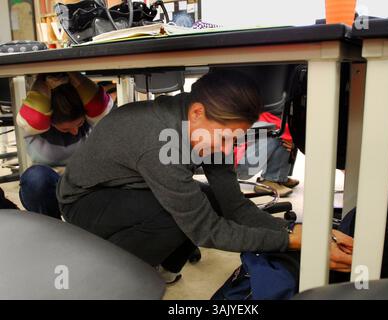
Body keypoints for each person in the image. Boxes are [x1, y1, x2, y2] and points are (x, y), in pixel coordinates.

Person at [57, 70, 353, 284]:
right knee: (179, 218)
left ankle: (166, 270)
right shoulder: (160, 140)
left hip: (131, 186)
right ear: (197, 112)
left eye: (234, 140)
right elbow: (205, 231)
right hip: (85, 200)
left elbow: (233, 205)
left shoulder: (205, 120)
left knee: (210, 199)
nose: (227, 150)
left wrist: (306, 232)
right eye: (224, 139)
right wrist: (291, 241)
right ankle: (110, 274)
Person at [17, 72, 114, 219]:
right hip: (48, 189)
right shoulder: (35, 126)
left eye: (80, 124)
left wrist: (72, 74)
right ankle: (51, 228)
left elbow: (99, 106)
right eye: (66, 129)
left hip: (82, 186)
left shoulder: (90, 117)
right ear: (50, 122)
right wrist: (43, 80)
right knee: (35, 178)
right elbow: (35, 118)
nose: (75, 132)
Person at [235, 111, 299, 197]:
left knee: (288, 139)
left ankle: (279, 177)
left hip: (239, 164)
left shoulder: (269, 113)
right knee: (281, 136)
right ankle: (272, 179)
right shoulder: (268, 115)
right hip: (238, 167)